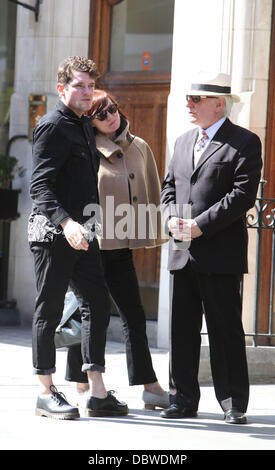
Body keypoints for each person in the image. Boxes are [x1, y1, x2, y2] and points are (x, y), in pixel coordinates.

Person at [28, 57, 128, 419]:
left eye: (90, 86)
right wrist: (67, 223)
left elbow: (119, 132)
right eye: (79, 86)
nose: (86, 92)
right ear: (62, 89)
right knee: (49, 308)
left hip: (85, 231)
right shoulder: (52, 125)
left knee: (97, 305)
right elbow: (39, 186)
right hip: (54, 232)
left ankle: (97, 391)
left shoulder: (85, 124)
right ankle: (46, 390)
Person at [160, 73, 262, 424]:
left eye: (196, 99)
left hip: (220, 254)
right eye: (188, 99)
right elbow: (168, 189)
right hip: (181, 252)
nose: (188, 104)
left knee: (225, 330)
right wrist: (171, 219)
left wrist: (200, 225)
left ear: (219, 104)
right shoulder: (183, 140)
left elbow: (242, 196)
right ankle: (182, 399)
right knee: (181, 331)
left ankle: (233, 403)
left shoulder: (245, 142)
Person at [64, 89, 169, 410]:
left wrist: (150, 229)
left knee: (133, 315)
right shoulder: (85, 150)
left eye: (112, 108)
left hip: (120, 245)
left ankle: (149, 385)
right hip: (89, 245)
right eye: (101, 113)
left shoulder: (139, 147)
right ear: (90, 122)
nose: (111, 116)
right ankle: (82, 378)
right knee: (88, 313)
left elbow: (152, 189)